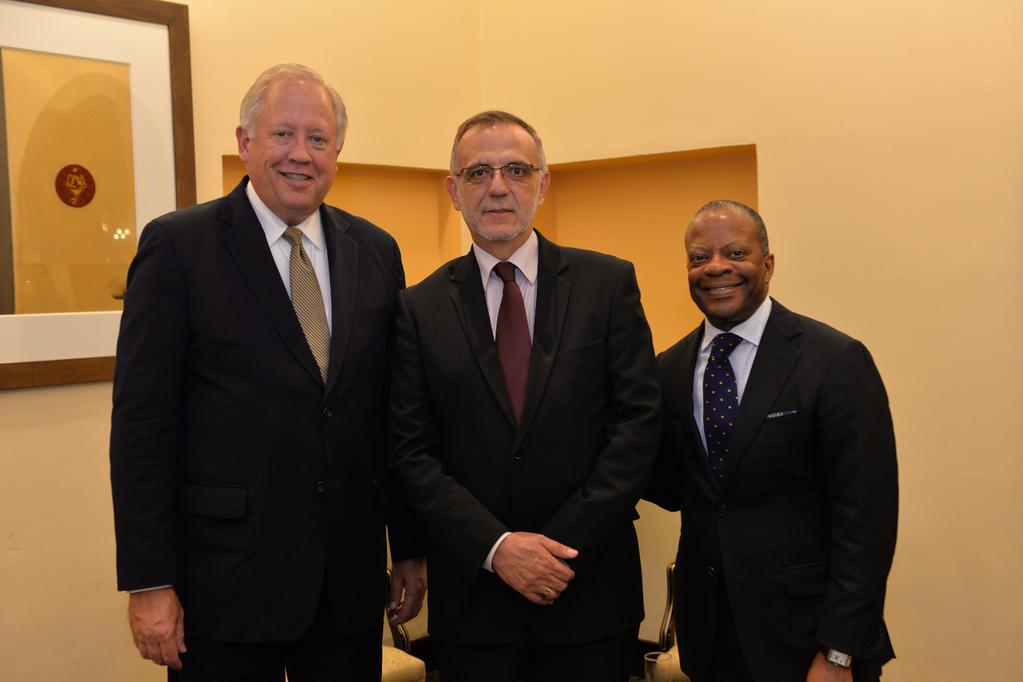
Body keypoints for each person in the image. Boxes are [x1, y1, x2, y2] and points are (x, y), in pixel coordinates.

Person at [110, 63, 425, 681]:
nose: (300, 154)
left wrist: (409, 546)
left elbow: (392, 411)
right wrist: (149, 581)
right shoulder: (179, 247)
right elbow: (143, 427)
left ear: (337, 151)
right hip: (223, 589)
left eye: (318, 138)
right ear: (244, 142)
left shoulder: (377, 250)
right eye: (282, 134)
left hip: (347, 590)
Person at [388, 110, 661, 682]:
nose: (497, 187)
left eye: (516, 169)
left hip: (589, 595)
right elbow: (411, 451)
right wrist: (498, 548)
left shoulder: (607, 285)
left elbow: (637, 425)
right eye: (477, 172)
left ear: (544, 181)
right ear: (453, 190)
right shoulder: (419, 308)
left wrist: (557, 550)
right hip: (475, 606)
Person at [646, 200, 898, 682]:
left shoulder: (834, 361)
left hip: (808, 644)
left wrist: (839, 652)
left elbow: (866, 523)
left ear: (768, 264)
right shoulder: (666, 370)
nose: (716, 267)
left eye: (735, 252)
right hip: (710, 640)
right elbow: (675, 486)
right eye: (699, 258)